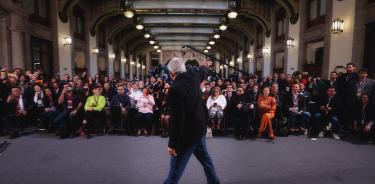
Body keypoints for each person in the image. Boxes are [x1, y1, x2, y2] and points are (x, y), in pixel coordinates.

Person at [164, 57, 219, 184]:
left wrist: (172, 144)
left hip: (186, 137)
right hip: (199, 130)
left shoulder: (174, 89)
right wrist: (204, 65)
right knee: (206, 160)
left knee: (174, 172)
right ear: (183, 69)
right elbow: (202, 72)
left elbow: (178, 120)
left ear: (172, 73)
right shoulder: (193, 77)